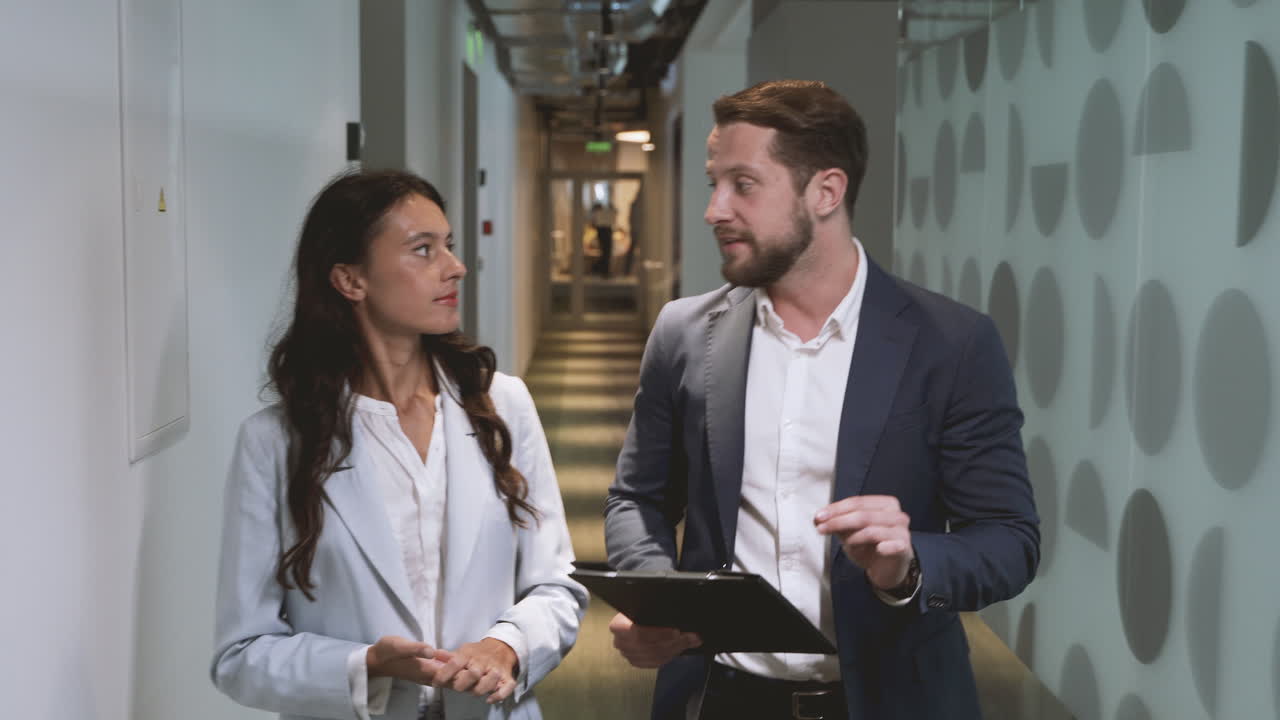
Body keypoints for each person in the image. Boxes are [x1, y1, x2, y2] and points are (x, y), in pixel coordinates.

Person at [604, 80, 1039, 720]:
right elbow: (637, 497)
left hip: (889, 701)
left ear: (826, 192)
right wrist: (660, 599)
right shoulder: (683, 333)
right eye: (712, 183)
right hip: (719, 698)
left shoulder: (953, 344)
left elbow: (1009, 543)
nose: (714, 210)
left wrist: (910, 565)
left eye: (743, 185)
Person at [212, 169, 587, 720]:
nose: (455, 267)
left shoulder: (502, 405)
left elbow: (556, 586)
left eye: (449, 246)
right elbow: (240, 656)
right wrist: (365, 665)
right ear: (350, 280)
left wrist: (505, 646)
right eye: (423, 249)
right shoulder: (275, 443)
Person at [590, 201, 617, 277]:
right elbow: (593, 225)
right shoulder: (599, 216)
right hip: (604, 233)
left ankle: (600, 270)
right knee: (606, 253)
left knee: (606, 253)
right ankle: (601, 271)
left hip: (604, 233)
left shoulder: (602, 216)